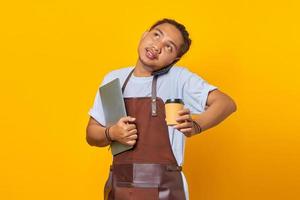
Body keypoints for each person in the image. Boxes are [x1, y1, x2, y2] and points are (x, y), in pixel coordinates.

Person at [86, 18, 237, 200]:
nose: (157, 46)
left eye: (169, 47)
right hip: (119, 187)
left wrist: (196, 125)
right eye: (156, 35)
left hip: (165, 190)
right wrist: (112, 133)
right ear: (144, 35)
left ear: (175, 59)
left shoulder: (178, 78)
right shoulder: (113, 79)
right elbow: (91, 134)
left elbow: (226, 103)